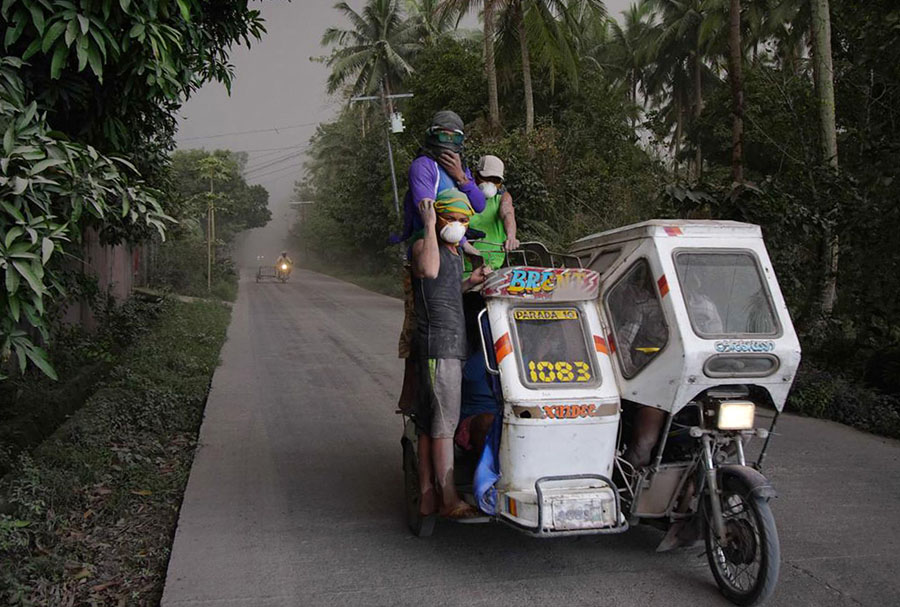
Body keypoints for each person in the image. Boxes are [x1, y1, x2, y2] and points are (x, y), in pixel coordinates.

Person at [395, 111, 486, 412]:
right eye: (442, 135)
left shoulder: (462, 168)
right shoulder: (423, 166)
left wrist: (462, 177)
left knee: (457, 310)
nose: (447, 142)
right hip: (428, 244)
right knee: (420, 323)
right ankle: (414, 398)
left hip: (454, 248)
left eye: (453, 137)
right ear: (432, 135)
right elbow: (427, 209)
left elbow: (478, 204)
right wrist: (452, 235)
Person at [411, 189, 490, 520]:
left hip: (450, 346)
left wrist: (470, 281)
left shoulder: (454, 254)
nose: (456, 225)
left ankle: (428, 495)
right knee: (444, 425)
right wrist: (429, 224)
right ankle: (448, 498)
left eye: (462, 220)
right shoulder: (424, 246)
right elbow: (429, 271)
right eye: (450, 218)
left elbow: (444, 291)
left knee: (432, 423)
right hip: (438, 347)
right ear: (438, 216)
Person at [467, 155, 520, 272]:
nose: (490, 184)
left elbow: (508, 213)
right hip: (462, 266)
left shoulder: (503, 198)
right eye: (486, 178)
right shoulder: (463, 195)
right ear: (476, 175)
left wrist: (511, 236)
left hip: (492, 268)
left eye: (496, 181)